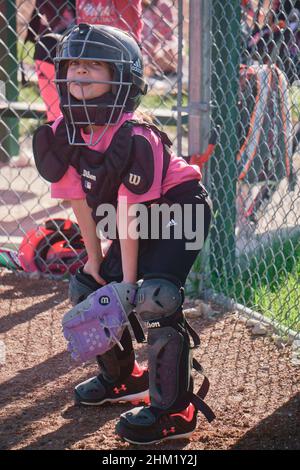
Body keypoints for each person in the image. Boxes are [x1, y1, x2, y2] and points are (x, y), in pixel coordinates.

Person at [33, 23, 215, 445]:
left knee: (154, 296)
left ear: (120, 79)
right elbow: (81, 204)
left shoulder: (137, 136)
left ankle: (175, 409)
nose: (79, 76)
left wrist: (129, 284)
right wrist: (97, 265)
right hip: (129, 217)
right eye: (73, 67)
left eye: (92, 67)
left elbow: (135, 213)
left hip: (178, 210)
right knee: (87, 285)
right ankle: (123, 379)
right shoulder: (63, 132)